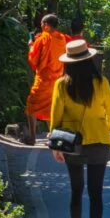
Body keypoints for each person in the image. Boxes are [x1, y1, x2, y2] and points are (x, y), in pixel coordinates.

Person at [49, 39, 110, 218]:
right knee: (96, 192)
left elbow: (55, 117)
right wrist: (106, 126)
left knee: (76, 189)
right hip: (99, 139)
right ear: (89, 60)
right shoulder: (101, 82)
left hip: (72, 142)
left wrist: (55, 146)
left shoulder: (62, 84)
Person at [25, 14, 71, 145]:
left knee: (31, 106)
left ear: (45, 25)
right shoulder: (61, 38)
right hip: (57, 79)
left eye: (41, 24)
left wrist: (30, 45)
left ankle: (32, 137)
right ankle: (53, 137)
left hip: (43, 79)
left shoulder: (43, 39)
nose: (41, 27)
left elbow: (33, 59)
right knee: (52, 108)